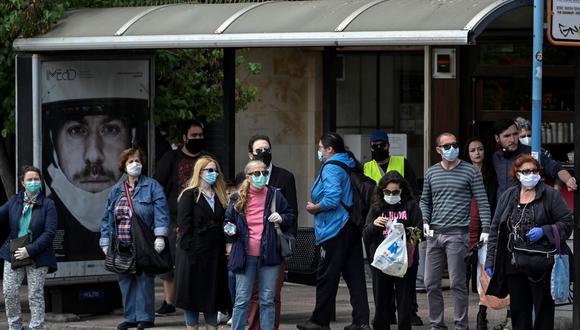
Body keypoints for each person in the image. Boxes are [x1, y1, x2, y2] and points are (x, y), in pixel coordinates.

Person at [42, 99, 147, 261]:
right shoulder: (46, 212)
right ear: (52, 141)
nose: (93, 155)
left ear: (131, 138)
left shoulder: (143, 200)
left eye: (111, 130)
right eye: (76, 130)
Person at [485, 155, 573, 330]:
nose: (531, 175)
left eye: (534, 171)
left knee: (543, 311)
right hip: (514, 263)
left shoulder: (550, 195)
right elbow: (496, 228)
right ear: (517, 174)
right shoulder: (508, 195)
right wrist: (490, 260)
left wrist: (544, 231)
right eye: (526, 171)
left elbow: (566, 223)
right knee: (519, 311)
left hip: (542, 263)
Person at [297, 133, 370, 330]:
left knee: (327, 275)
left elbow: (331, 199)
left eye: (320, 147)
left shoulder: (331, 168)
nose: (319, 151)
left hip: (335, 228)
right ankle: (361, 321)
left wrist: (315, 208)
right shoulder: (347, 162)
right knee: (355, 275)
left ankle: (319, 321)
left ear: (329, 149)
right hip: (351, 226)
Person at [420, 132, 491, 330]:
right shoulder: (431, 172)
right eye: (447, 146)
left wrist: (486, 228)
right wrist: (425, 220)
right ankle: (437, 325)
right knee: (431, 283)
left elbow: (483, 201)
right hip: (434, 234)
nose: (452, 149)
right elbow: (425, 200)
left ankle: (461, 326)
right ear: (438, 150)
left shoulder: (470, 172)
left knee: (457, 284)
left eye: (455, 144)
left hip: (458, 235)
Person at [99, 148, 169, 330]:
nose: (134, 164)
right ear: (124, 165)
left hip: (144, 242)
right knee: (125, 279)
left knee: (145, 278)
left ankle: (145, 318)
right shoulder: (116, 190)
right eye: (130, 162)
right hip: (121, 243)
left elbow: (162, 212)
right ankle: (130, 317)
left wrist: (160, 236)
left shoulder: (152, 186)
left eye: (137, 161)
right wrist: (105, 241)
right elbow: (107, 217)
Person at [234, 134, 298, 330]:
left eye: (267, 149)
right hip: (246, 251)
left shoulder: (283, 180)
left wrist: (286, 236)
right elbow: (230, 217)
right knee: (244, 297)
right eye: (259, 150)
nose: (264, 153)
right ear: (250, 156)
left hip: (271, 248)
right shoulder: (239, 188)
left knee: (270, 297)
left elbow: (291, 212)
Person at [363, 130, 422, 326]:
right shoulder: (377, 206)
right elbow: (367, 233)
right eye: (387, 192)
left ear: (402, 190)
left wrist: (405, 233)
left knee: (404, 306)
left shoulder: (411, 206)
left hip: (405, 261)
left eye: (395, 192)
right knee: (381, 307)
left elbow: (419, 234)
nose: (391, 194)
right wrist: (374, 225)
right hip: (382, 262)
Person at [154, 120, 210, 316]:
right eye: (193, 136)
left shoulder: (207, 159)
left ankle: (198, 299)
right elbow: (158, 187)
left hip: (202, 220)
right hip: (173, 217)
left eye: (200, 135)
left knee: (198, 261)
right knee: (168, 262)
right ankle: (169, 301)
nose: (197, 139)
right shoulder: (171, 158)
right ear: (184, 137)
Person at [174, 156, 230, 330]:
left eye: (215, 170)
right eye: (209, 170)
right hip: (193, 256)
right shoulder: (189, 195)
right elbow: (184, 227)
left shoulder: (220, 196)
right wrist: (192, 252)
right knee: (193, 298)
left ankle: (212, 326)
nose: (213, 173)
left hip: (215, 256)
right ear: (200, 172)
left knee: (212, 297)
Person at [0, 165, 57, 330]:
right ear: (23, 183)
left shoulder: (48, 204)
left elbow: (49, 233)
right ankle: (15, 326)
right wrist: (22, 251)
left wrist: (29, 250)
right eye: (30, 179)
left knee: (35, 294)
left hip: (38, 253)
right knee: (9, 292)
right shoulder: (15, 201)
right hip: (15, 251)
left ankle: (37, 327)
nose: (33, 182)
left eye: (36, 179)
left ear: (41, 181)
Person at [492, 119, 576, 199]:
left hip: (527, 207)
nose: (512, 139)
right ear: (497, 138)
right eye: (507, 136)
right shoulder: (495, 157)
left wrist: (569, 180)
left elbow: (556, 168)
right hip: (502, 209)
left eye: (515, 134)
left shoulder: (532, 153)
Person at [464, 137, 498, 330]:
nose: (477, 153)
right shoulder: (463, 172)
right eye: (473, 150)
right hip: (468, 224)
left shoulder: (491, 174)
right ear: (467, 154)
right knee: (467, 267)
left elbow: (492, 200)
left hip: (487, 224)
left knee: (483, 268)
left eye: (480, 149)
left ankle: (481, 312)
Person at [363, 130, 419, 195]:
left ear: (388, 146)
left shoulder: (403, 162)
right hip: (375, 204)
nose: (379, 149)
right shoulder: (365, 168)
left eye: (382, 145)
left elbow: (413, 190)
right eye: (374, 146)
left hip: (400, 204)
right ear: (371, 148)